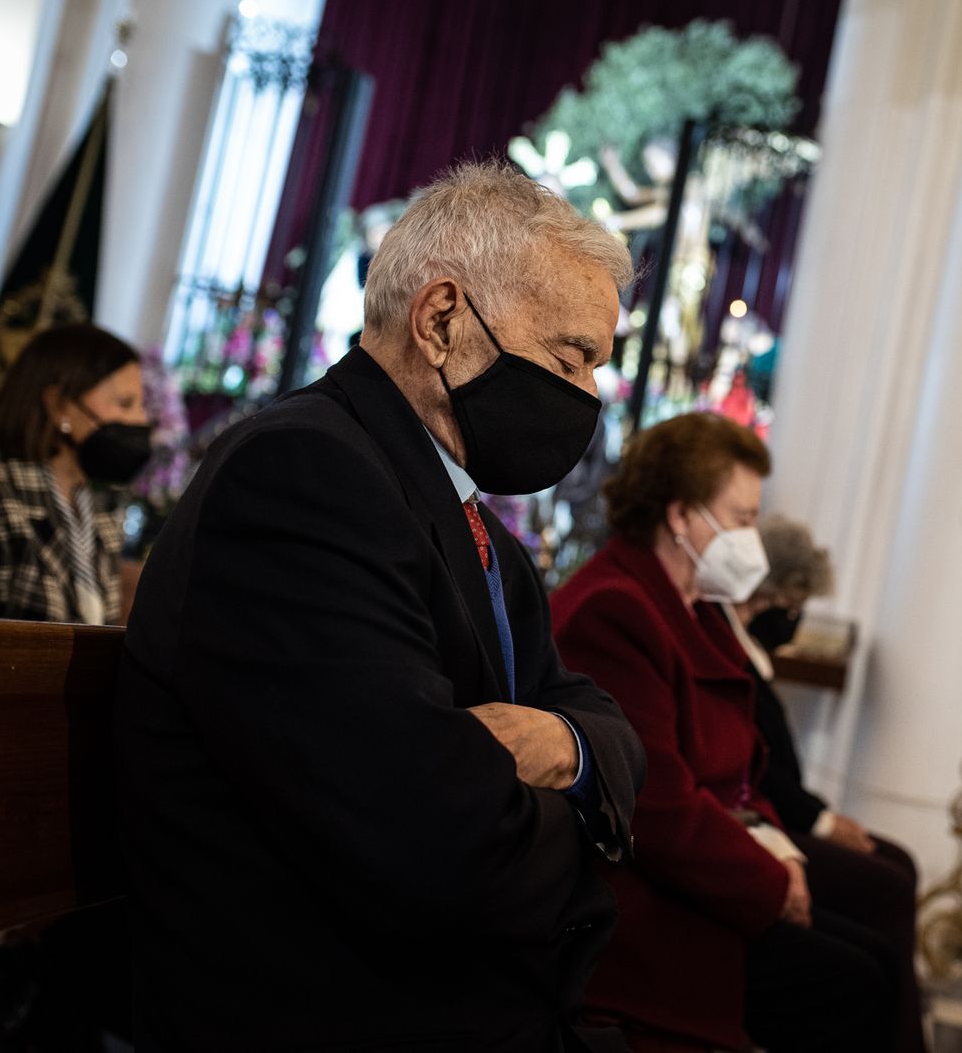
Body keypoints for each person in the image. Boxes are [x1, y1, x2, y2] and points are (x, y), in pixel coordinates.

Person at [116, 162, 646, 1052]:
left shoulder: (475, 526)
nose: (586, 396)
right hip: (328, 1010)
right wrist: (585, 827)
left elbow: (606, 725)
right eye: (571, 357)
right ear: (440, 320)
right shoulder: (303, 476)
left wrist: (569, 747)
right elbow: (435, 840)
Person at [551, 412, 895, 1053]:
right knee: (857, 981)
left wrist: (778, 847)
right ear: (681, 517)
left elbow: (740, 771)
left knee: (876, 942)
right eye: (740, 519)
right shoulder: (615, 609)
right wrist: (767, 881)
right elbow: (653, 805)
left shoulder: (695, 607)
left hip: (706, 861)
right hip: (638, 896)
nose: (752, 540)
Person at [726, 514, 927, 1053]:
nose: (795, 618)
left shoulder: (748, 653)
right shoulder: (725, 647)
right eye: (792, 605)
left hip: (771, 817)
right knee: (887, 889)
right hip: (757, 828)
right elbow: (751, 771)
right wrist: (815, 824)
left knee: (897, 868)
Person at [0, 325, 149, 623]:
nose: (142, 419)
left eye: (141, 405)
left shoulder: (96, 512)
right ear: (59, 405)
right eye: (125, 404)